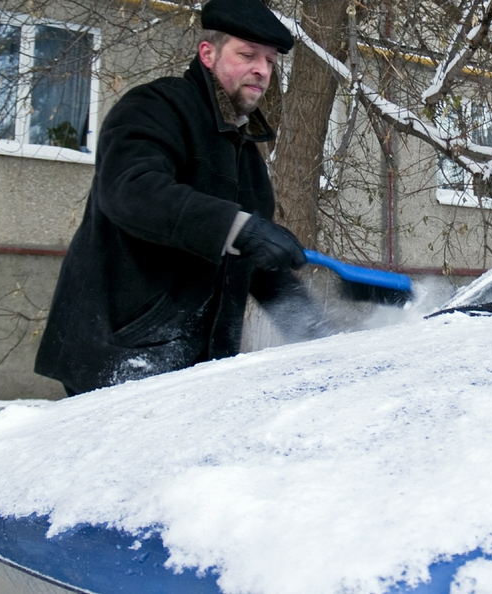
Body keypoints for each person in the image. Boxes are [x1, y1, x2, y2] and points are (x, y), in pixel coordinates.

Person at [35, 0, 313, 396]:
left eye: (269, 61)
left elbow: (254, 259)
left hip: (201, 363)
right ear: (207, 53)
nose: (262, 70)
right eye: (248, 55)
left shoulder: (246, 155)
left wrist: (317, 329)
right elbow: (133, 190)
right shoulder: (155, 108)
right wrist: (239, 228)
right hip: (123, 351)